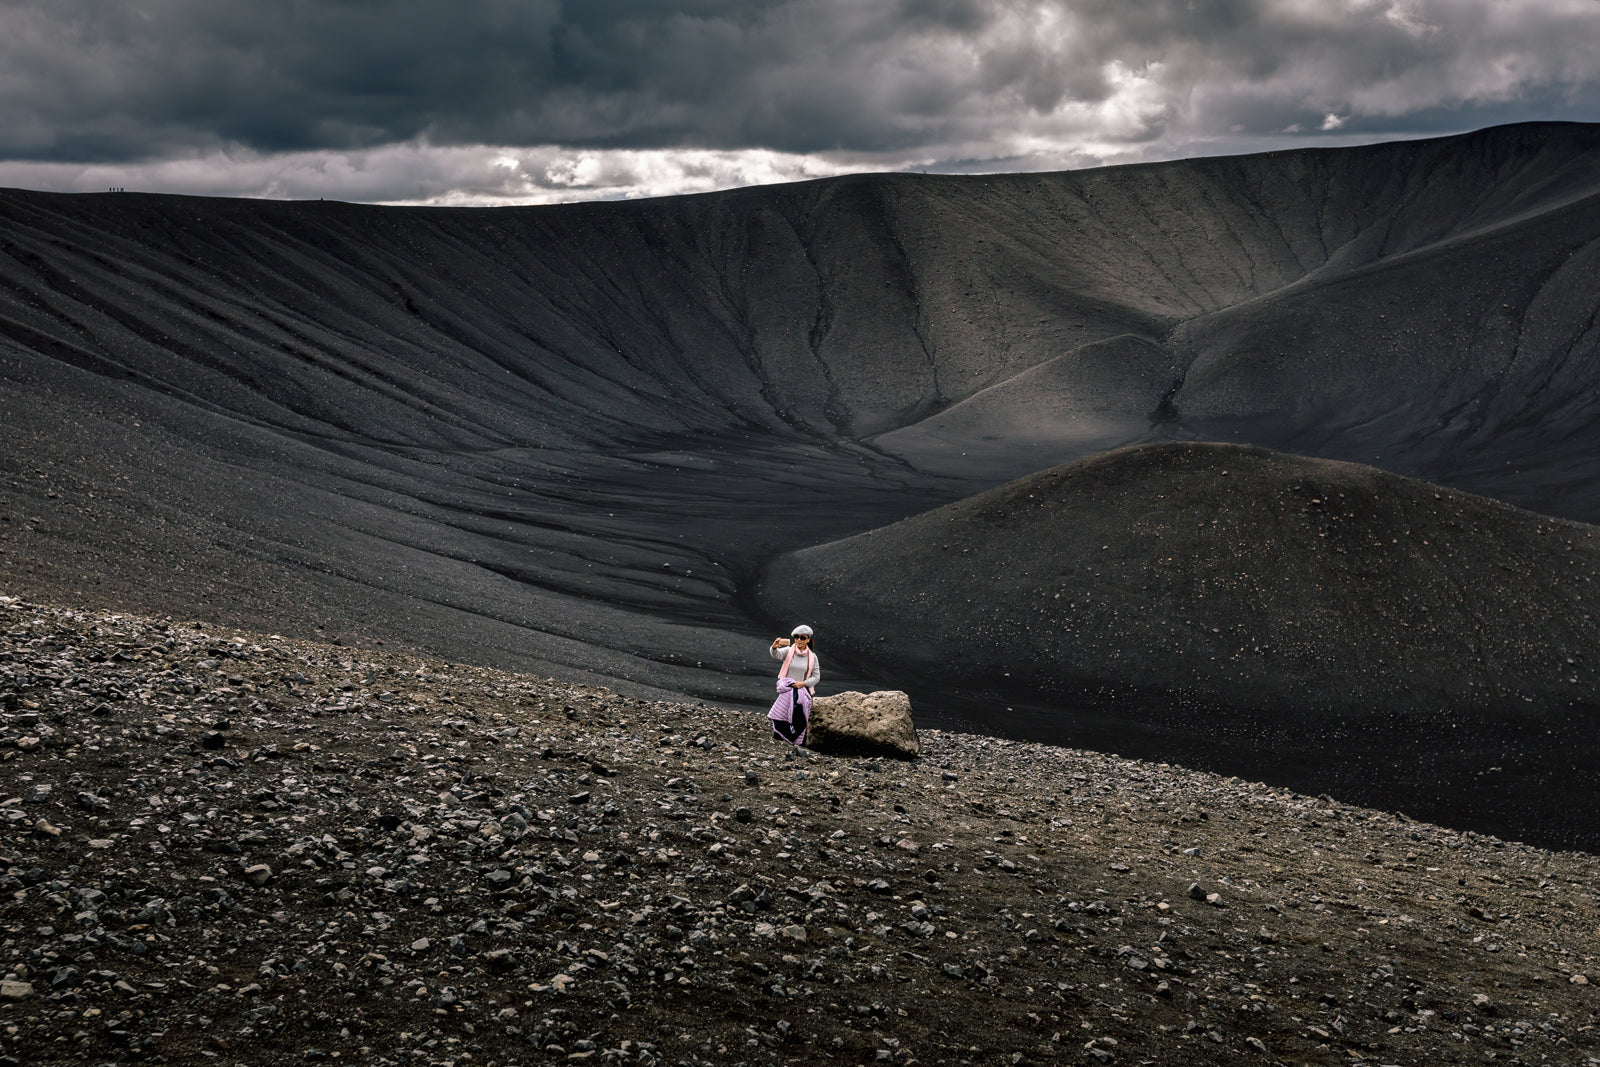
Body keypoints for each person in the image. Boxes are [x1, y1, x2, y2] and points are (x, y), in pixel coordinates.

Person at [767, 625, 820, 747]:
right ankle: (780, 738)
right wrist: (774, 648)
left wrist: (804, 683)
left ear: (808, 640)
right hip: (787, 691)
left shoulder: (813, 657)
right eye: (796, 637)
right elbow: (777, 654)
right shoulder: (788, 651)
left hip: (802, 691)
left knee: (800, 717)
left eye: (802, 637)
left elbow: (816, 677)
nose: (799, 640)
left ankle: (797, 741)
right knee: (782, 714)